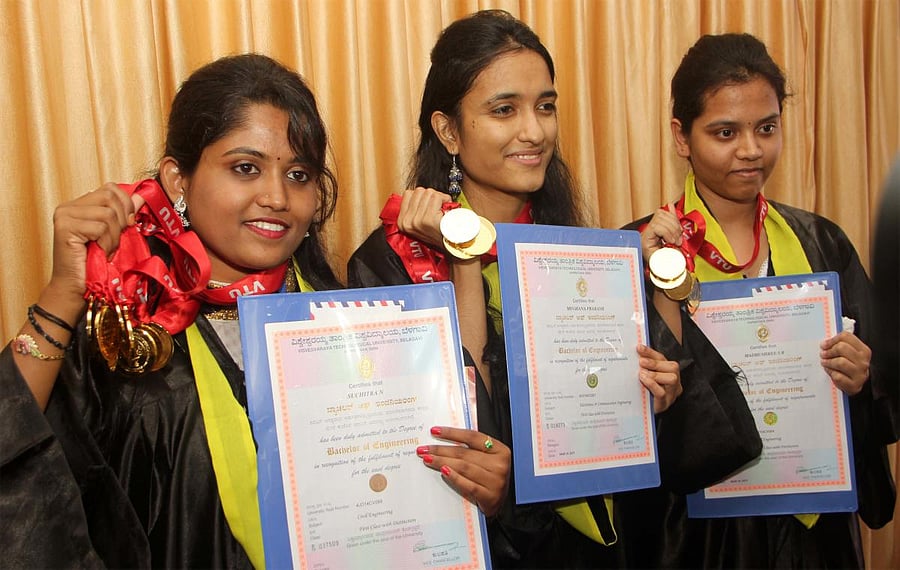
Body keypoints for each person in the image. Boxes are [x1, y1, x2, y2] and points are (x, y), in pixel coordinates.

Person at [0, 53, 509, 568]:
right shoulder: (127, 326)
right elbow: (17, 466)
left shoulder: (353, 323)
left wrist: (476, 490)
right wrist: (64, 292)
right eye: (245, 168)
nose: (276, 196)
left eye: (299, 174)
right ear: (178, 180)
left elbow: (423, 488)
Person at [348, 10, 757, 568]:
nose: (534, 132)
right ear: (448, 131)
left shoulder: (580, 253)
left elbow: (650, 437)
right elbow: (456, 428)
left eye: (545, 106)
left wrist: (657, 395)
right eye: (503, 110)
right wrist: (461, 257)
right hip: (483, 547)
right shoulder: (390, 261)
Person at [626, 33, 897, 568]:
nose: (751, 149)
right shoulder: (638, 253)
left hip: (815, 530)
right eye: (725, 132)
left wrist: (864, 377)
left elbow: (883, 377)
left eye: (766, 128)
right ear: (682, 136)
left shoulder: (822, 243)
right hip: (696, 539)